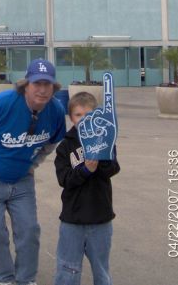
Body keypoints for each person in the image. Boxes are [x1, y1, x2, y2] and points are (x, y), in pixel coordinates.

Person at [0, 59, 66, 285]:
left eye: (48, 84)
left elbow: (52, 141)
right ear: (26, 84)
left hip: (22, 181)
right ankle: (3, 278)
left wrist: (33, 163)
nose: (43, 89)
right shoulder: (0, 104)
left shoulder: (55, 110)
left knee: (29, 231)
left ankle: (26, 279)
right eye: (37, 83)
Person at [54, 91, 120, 285]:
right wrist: (85, 170)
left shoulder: (105, 139)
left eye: (88, 115)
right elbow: (64, 179)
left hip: (100, 217)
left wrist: (101, 161)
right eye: (78, 115)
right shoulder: (65, 146)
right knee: (68, 269)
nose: (83, 120)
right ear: (71, 117)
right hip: (72, 219)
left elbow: (113, 169)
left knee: (101, 269)